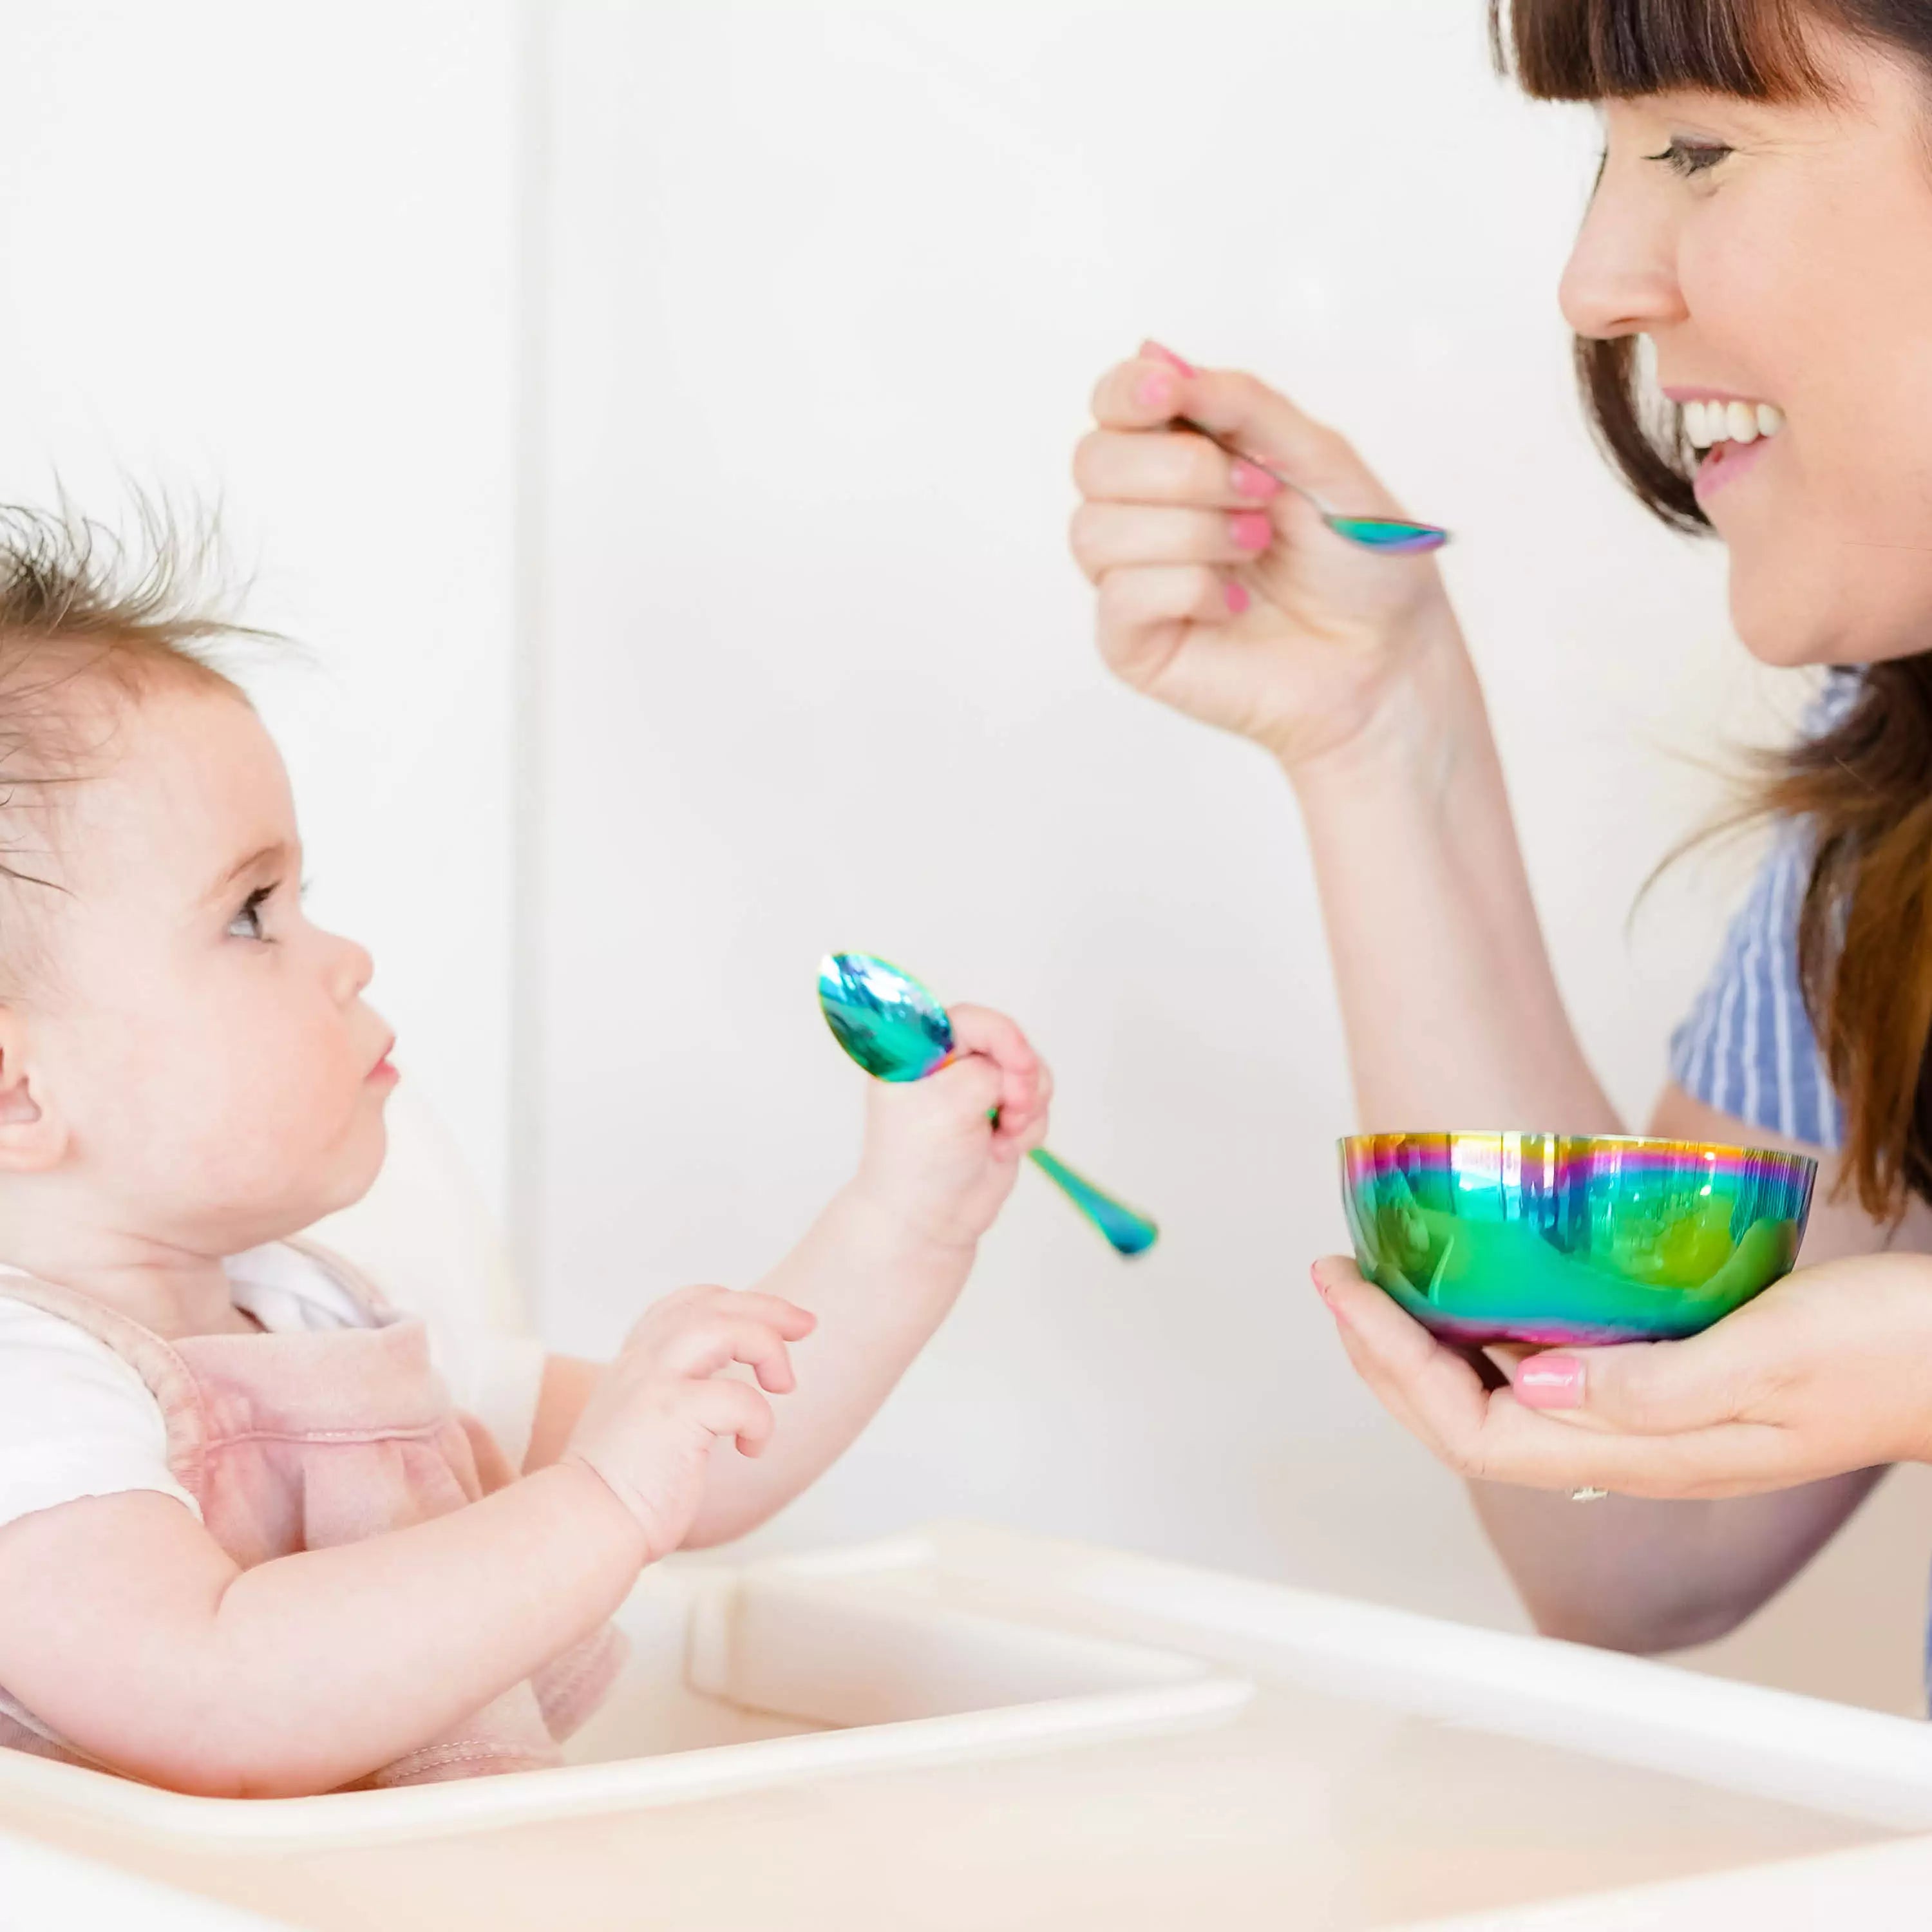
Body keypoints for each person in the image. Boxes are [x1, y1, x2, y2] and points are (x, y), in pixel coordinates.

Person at [1070, 0, 1932, 1672]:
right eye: (1606, 162)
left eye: (1696, 148)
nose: (1599, 277)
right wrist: (1380, 732)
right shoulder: (1892, 812)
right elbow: (1642, 1548)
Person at [0, 506, 1050, 1796]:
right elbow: (210, 1692)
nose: (347, 959)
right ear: (14, 1090)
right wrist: (593, 1507)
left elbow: (707, 1470)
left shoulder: (330, 1322)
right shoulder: (27, 1401)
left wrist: (905, 1218)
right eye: (252, 914)